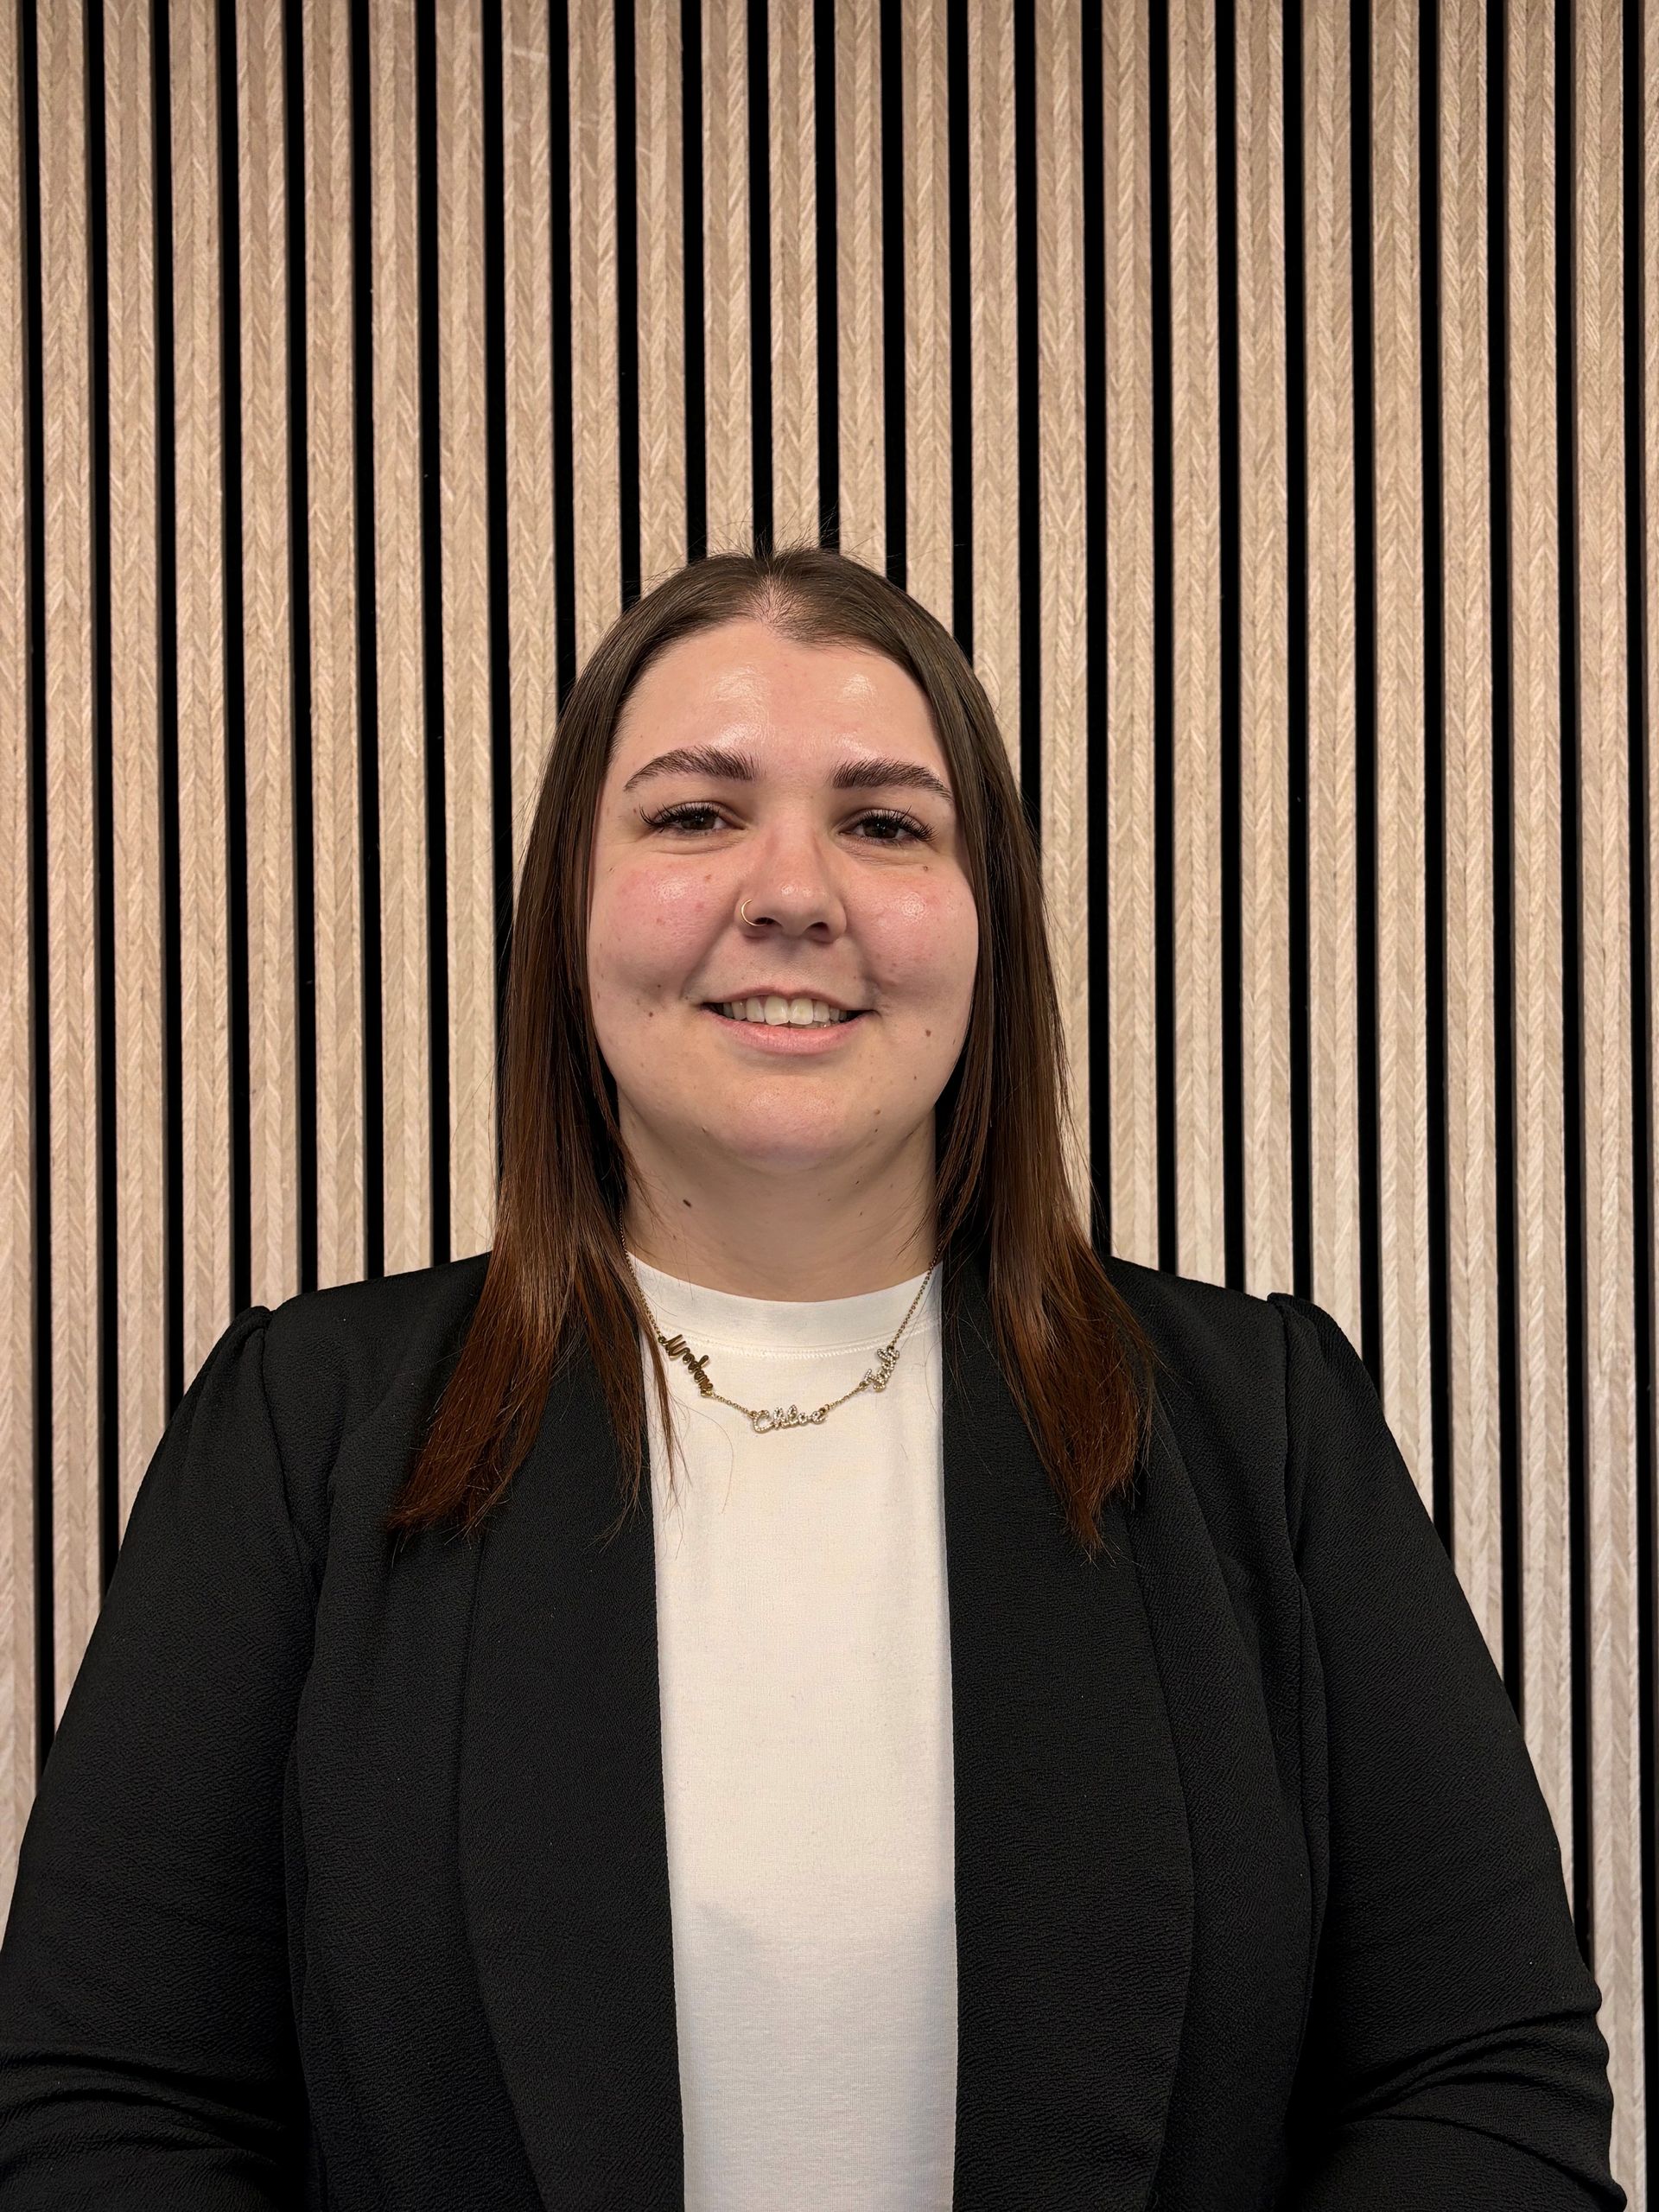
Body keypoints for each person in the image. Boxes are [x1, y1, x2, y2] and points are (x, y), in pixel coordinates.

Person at [0, 544, 1625, 2210]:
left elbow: (1486, 2085)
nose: (792, 891)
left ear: (988, 926)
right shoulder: (307, 1427)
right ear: (571, 905)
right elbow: (114, 2114)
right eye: (696, 814)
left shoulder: (1260, 1424)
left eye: (886, 821)